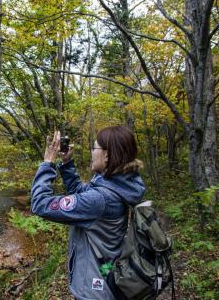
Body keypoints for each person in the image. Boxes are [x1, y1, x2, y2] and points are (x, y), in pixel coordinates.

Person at [30, 125, 146, 300]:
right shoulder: (119, 184)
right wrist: (67, 164)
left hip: (93, 292)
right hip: (106, 274)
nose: (92, 152)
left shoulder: (100, 199)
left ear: (107, 155)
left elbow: (40, 204)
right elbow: (80, 193)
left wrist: (47, 164)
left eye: (94, 148)